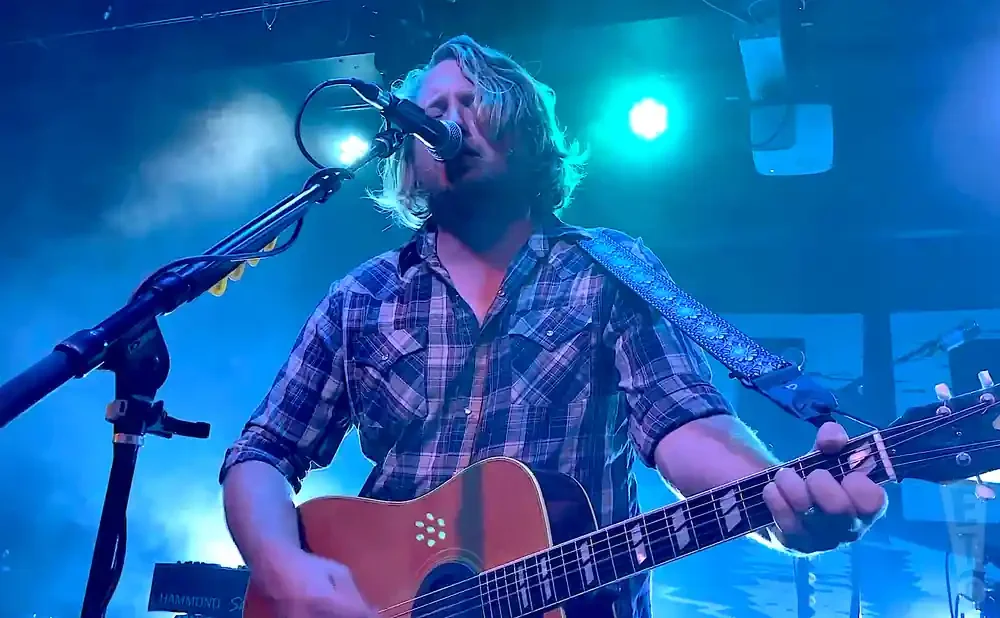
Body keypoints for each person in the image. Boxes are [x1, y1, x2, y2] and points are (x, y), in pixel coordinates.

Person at [220, 35, 887, 618]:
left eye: (473, 102)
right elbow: (262, 453)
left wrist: (775, 499)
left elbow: (683, 422)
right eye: (433, 108)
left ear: (526, 131)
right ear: (408, 151)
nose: (449, 119)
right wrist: (284, 568)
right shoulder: (361, 297)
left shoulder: (607, 269)